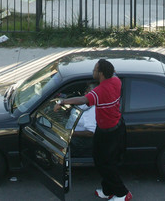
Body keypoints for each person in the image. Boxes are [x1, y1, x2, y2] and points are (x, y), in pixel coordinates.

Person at [55, 59, 131, 201]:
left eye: (95, 70)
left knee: (105, 163)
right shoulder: (116, 81)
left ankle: (122, 193)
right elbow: (113, 72)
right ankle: (108, 190)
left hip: (108, 132)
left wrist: (63, 101)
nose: (93, 72)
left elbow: (83, 100)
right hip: (115, 127)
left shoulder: (101, 91)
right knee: (103, 160)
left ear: (101, 73)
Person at [65, 82, 97, 156]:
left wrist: (70, 133)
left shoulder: (93, 110)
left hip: (78, 143)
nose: (85, 93)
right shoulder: (85, 104)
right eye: (85, 90)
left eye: (88, 92)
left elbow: (90, 133)